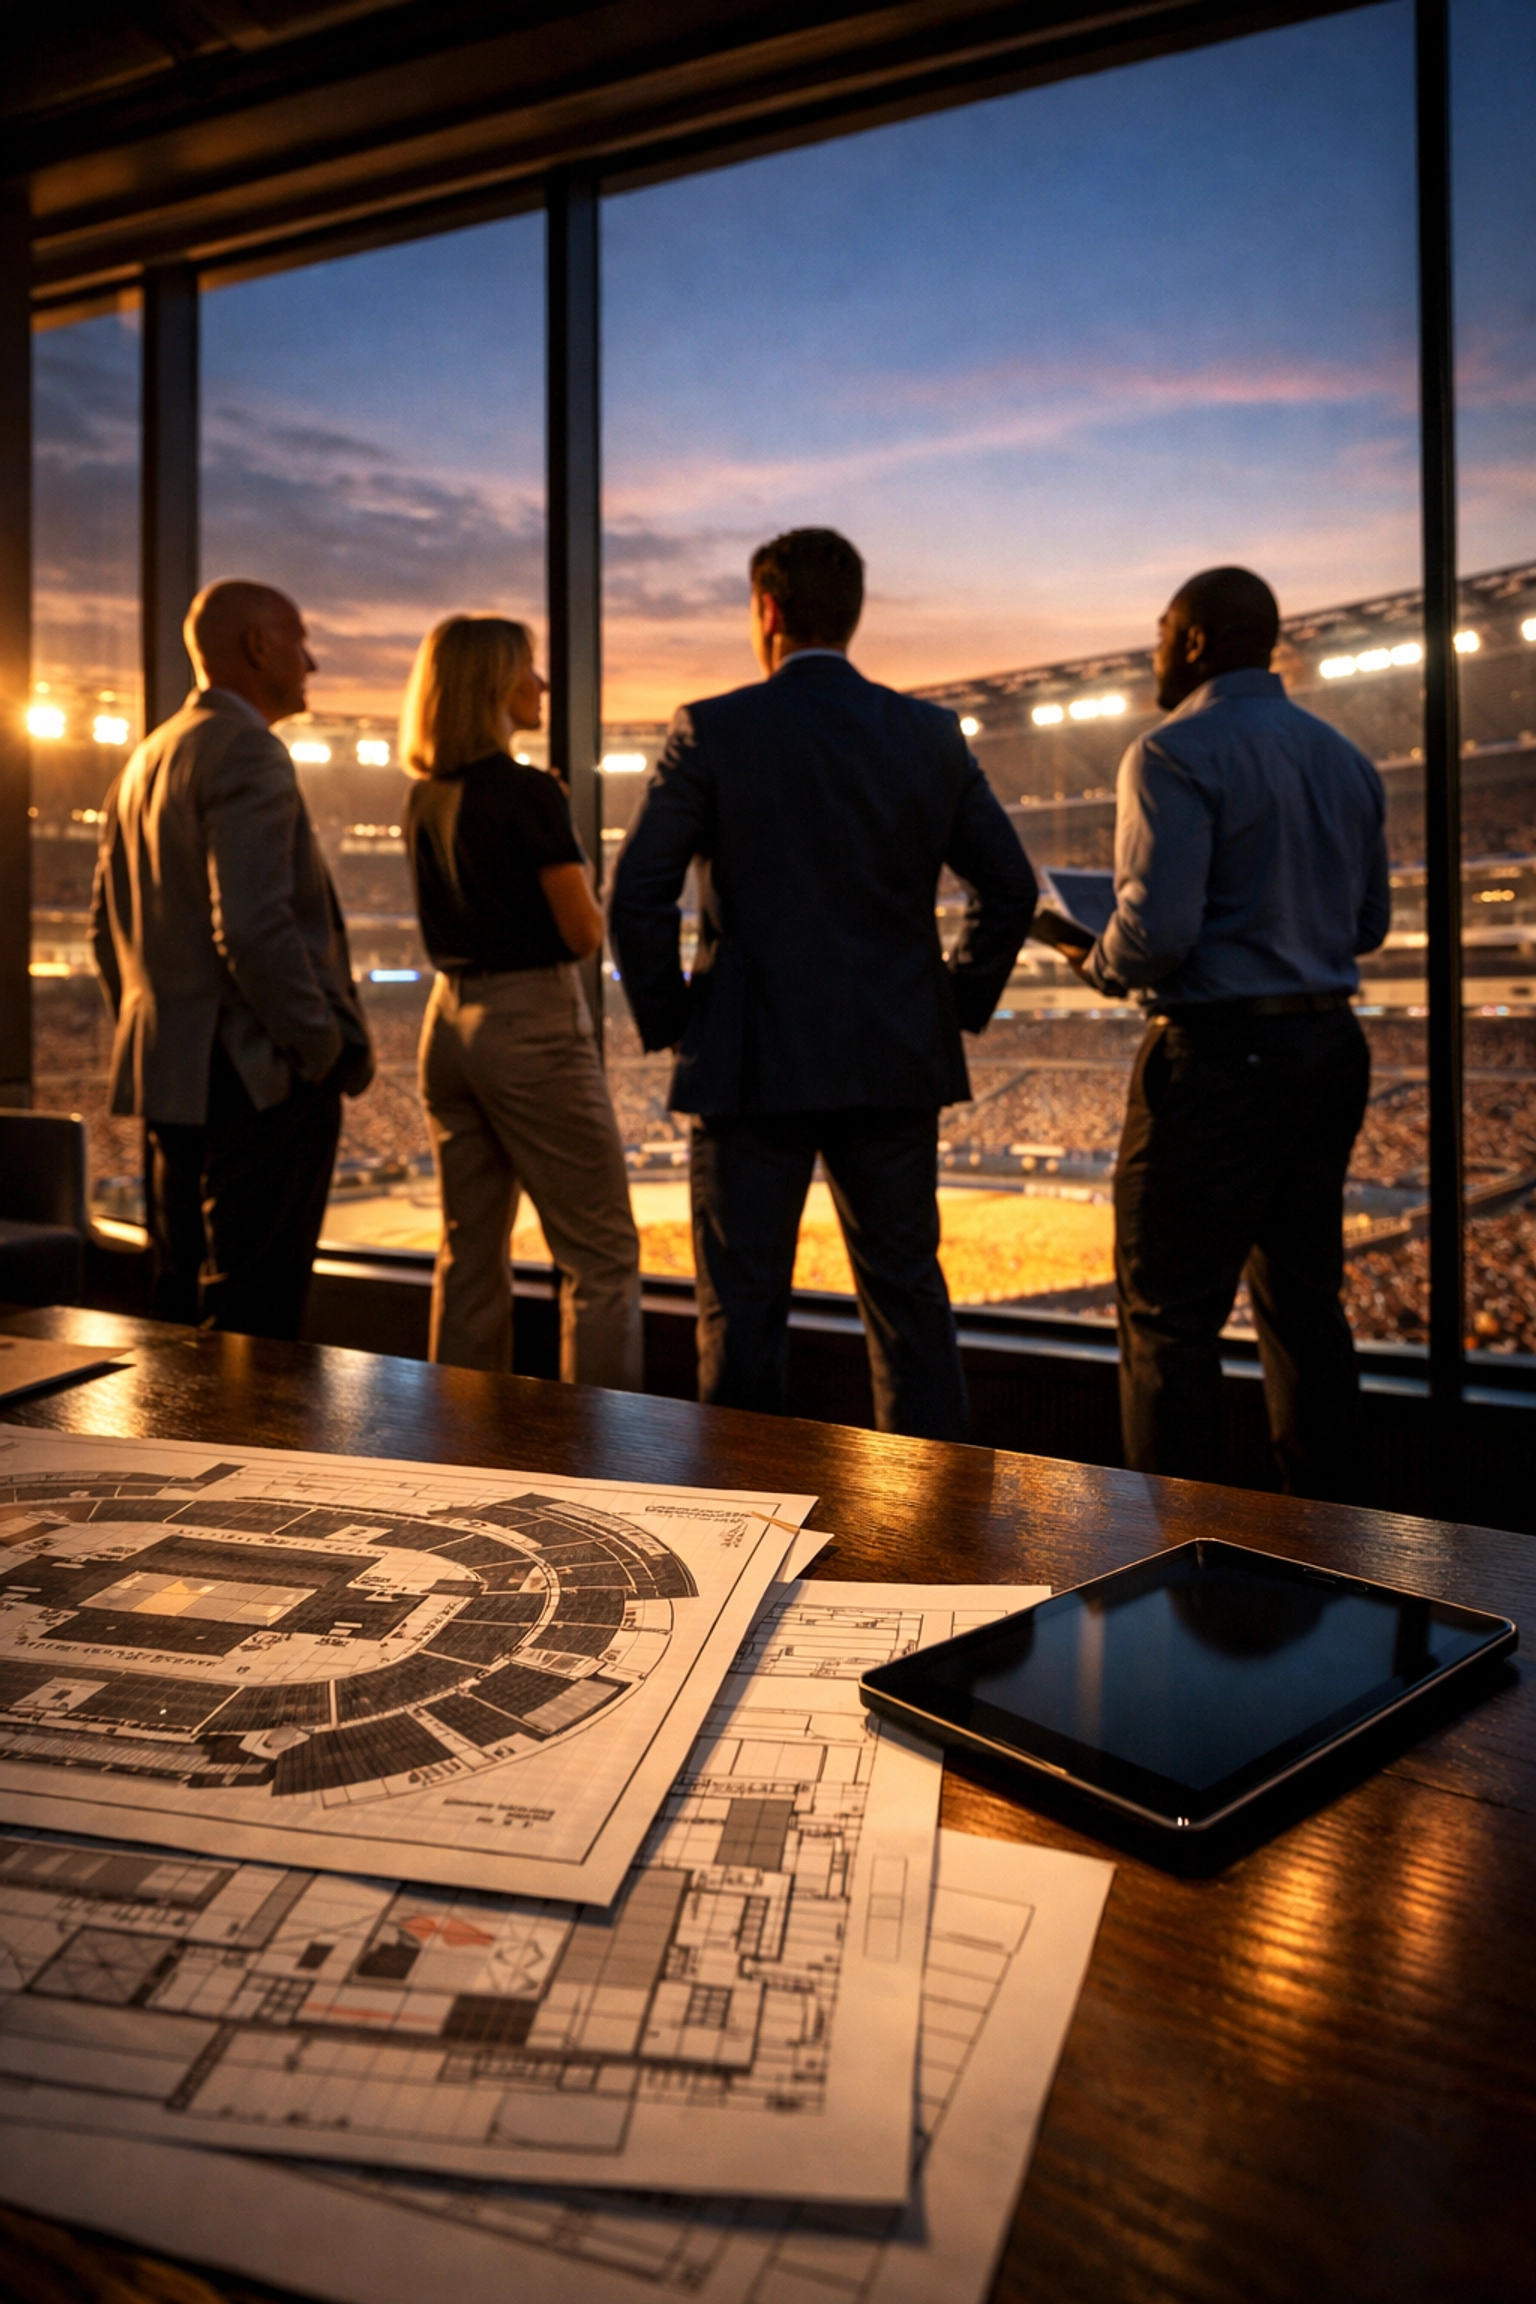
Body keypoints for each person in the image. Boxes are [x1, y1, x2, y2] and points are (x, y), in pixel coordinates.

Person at [608, 527, 1036, 1440]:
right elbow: (1008, 889)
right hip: (891, 1058)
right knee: (908, 1302)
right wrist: (953, 1004)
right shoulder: (929, 736)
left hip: (750, 1061)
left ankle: (740, 1531)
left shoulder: (711, 728)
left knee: (742, 1310)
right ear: (856, 614)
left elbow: (637, 892)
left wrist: (680, 1018)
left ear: (766, 609)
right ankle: (935, 1532)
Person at [1076, 564, 1390, 1498]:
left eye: (1164, 631)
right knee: (1305, 1307)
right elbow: (1367, 926)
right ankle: (1332, 1550)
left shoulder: (1171, 752)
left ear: (1199, 639)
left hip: (1218, 1054)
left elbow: (1156, 934)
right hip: (1330, 1047)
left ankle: (1173, 1565)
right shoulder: (1346, 758)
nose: (1154, 649)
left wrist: (1097, 960)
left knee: (1169, 1319)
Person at [90, 580, 373, 1339]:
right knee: (257, 1319)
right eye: (300, 641)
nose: (310, 662)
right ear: (257, 646)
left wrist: (162, 1027)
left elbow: (102, 931)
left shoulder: (148, 756)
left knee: (179, 1308)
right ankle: (253, 1460)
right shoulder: (248, 749)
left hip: (168, 1073)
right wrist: (317, 1050)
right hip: (255, 1078)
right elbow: (252, 928)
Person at [402, 614, 642, 1388]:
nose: (541, 684)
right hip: (530, 1023)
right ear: (493, 685)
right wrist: (564, 832)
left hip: (448, 1022)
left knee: (468, 1249)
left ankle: (457, 1445)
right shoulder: (529, 792)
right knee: (601, 1256)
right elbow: (581, 932)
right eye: (528, 670)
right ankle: (607, 1454)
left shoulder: (423, 795)